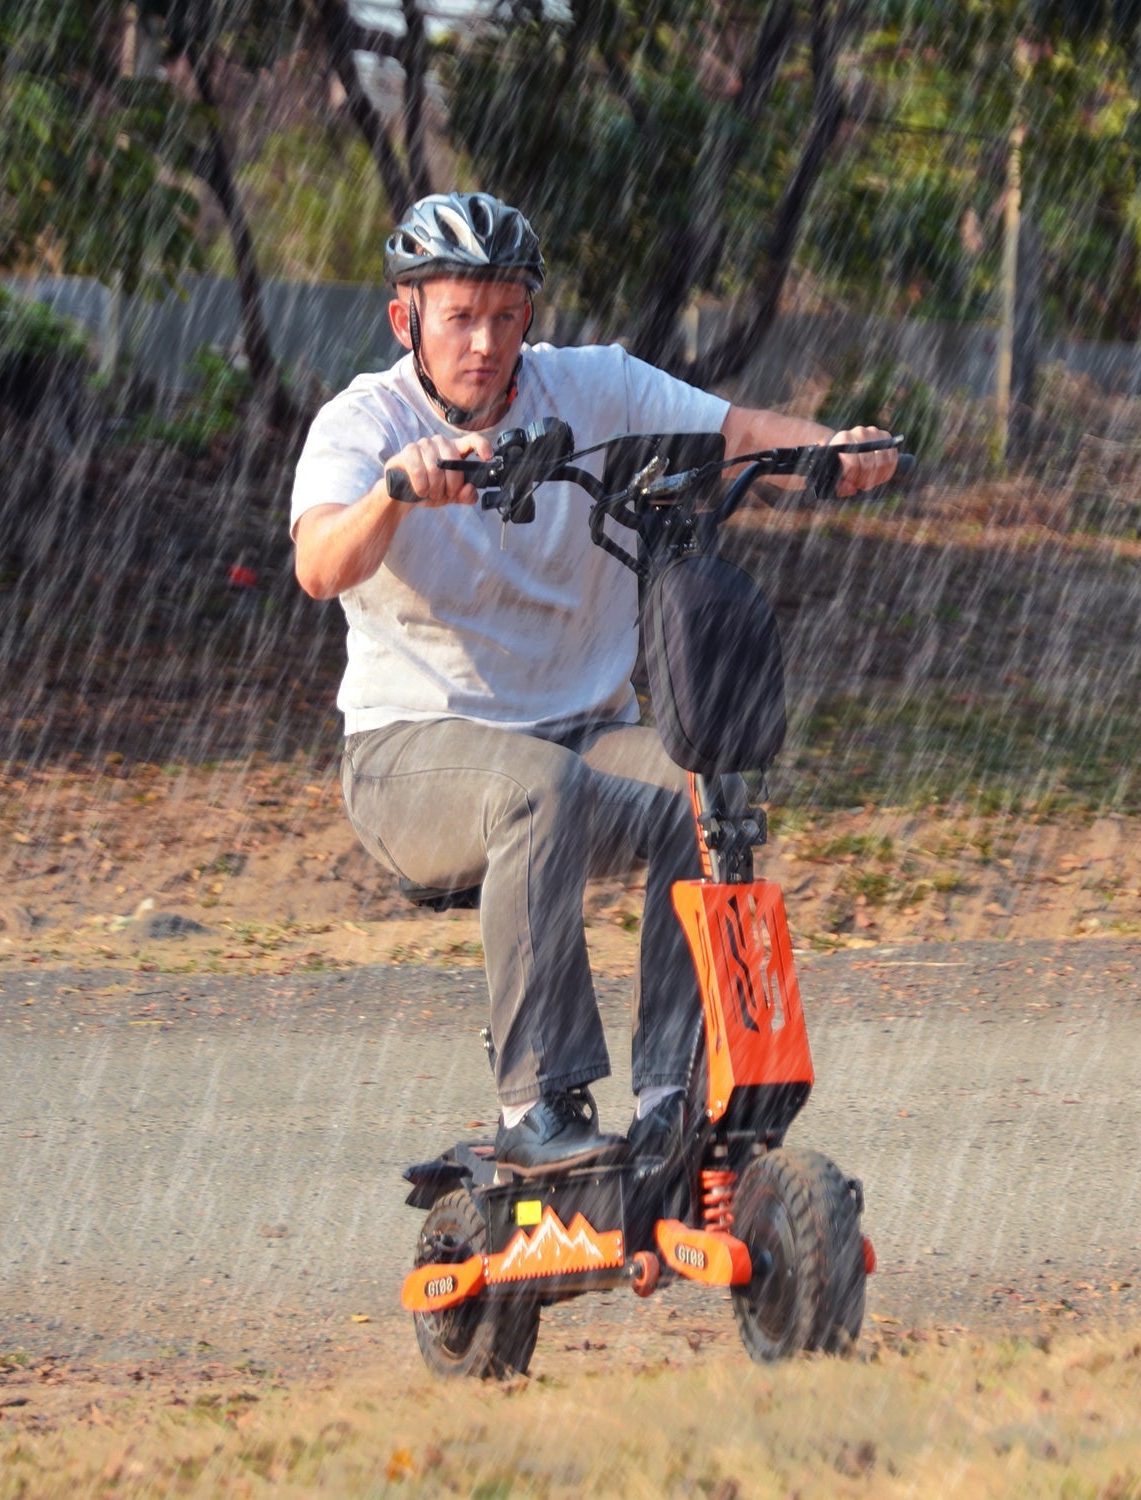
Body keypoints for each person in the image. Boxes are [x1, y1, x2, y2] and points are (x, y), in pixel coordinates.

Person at [291, 191, 895, 1177]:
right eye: (458, 316)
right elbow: (319, 564)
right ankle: (537, 1099)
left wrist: (829, 452)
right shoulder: (365, 422)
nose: (484, 340)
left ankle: (674, 1099)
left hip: (581, 730)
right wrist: (392, 495)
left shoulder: (596, 387)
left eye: (504, 312)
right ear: (406, 319)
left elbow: (738, 434)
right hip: (410, 757)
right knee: (541, 788)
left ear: (531, 312)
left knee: (701, 792)